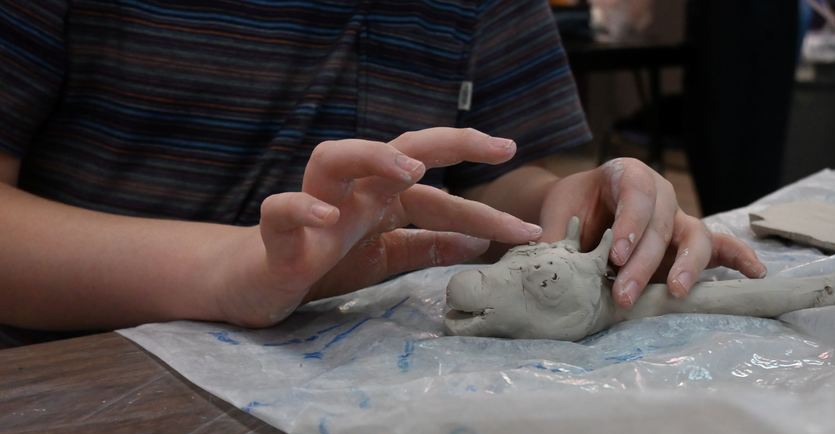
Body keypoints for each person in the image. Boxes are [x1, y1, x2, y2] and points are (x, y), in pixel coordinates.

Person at [0, 0, 764, 337]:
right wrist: (226, 272)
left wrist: (588, 209)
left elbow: (509, 180)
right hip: (65, 389)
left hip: (364, 400)